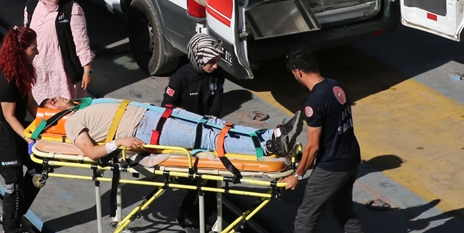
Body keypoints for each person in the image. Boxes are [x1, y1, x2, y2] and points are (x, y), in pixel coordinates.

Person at [262, 48, 382, 233]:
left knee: (305, 217)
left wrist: (297, 175)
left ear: (297, 72)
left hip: (331, 166)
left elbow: (313, 146)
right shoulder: (335, 86)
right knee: (345, 213)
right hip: (351, 159)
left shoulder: (314, 102)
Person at [58, 98, 300, 160]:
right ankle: (269, 148)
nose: (59, 96)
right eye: (53, 100)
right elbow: (91, 152)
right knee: (206, 138)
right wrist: (120, 143)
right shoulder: (72, 122)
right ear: (53, 112)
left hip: (151, 115)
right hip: (143, 130)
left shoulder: (85, 104)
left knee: (212, 124)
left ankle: (271, 135)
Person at [0, 26, 45, 233]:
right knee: (13, 182)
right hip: (2, 132)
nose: (36, 52)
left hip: (17, 129)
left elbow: (30, 104)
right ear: (20, 51)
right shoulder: (7, 78)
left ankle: (14, 215)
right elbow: (9, 116)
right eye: (33, 49)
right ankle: (10, 232)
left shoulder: (24, 70)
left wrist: (46, 122)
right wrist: (30, 139)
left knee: (38, 172)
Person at [162, 33, 227, 233]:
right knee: (194, 177)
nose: (215, 66)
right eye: (211, 62)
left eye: (216, 61)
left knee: (216, 174)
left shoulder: (217, 76)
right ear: (198, 58)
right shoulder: (180, 77)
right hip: (182, 132)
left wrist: (212, 122)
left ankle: (205, 211)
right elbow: (167, 107)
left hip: (206, 130)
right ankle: (187, 215)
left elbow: (216, 104)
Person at [23, 0, 94, 107]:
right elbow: (26, 39)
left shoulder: (72, 10)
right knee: (42, 112)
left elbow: (82, 43)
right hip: (39, 73)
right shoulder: (31, 7)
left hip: (62, 73)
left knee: (65, 112)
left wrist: (87, 70)